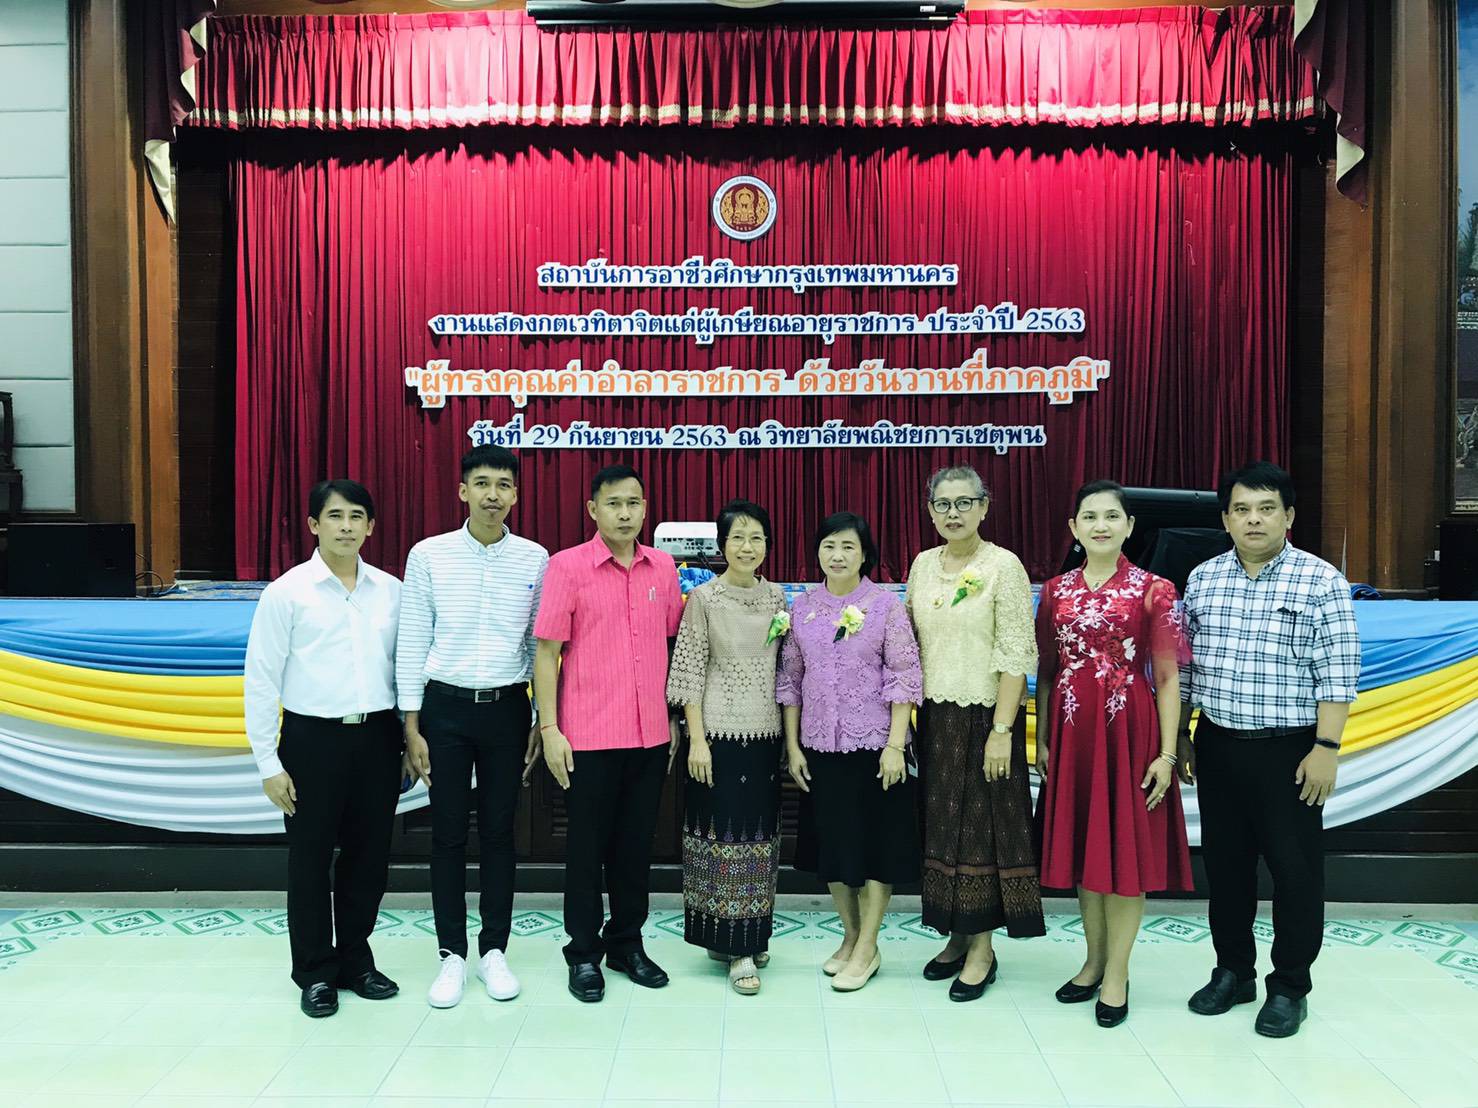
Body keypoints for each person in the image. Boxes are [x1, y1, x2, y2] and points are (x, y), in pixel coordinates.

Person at [1178, 461, 1361, 1038]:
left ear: (1288, 516)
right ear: (1225, 519)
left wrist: (1326, 747)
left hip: (1291, 752)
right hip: (1218, 744)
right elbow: (1186, 670)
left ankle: (1289, 987)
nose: (1253, 519)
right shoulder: (1203, 579)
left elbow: (1338, 673)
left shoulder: (1320, 581)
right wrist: (1180, 735)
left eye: (1265, 509)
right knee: (1227, 869)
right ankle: (1234, 972)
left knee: (1294, 872)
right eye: (1241, 509)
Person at [1034, 479, 1194, 1027]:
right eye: (1089, 516)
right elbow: (1047, 672)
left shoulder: (1155, 589)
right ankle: (1093, 961)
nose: (1100, 525)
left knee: (1123, 853)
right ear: (1074, 528)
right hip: (1072, 735)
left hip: (1130, 733)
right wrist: (1043, 739)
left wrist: (1166, 755)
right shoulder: (1055, 591)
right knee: (1087, 848)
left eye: (1111, 516)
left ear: (1129, 526)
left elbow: (1168, 678)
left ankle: (1118, 973)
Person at [244, 479, 403, 1018]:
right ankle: (314, 972)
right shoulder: (287, 592)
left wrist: (408, 737)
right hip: (312, 740)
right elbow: (260, 679)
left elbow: (403, 668)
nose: (346, 526)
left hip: (377, 738)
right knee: (310, 861)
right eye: (335, 516)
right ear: (314, 525)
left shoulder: (390, 591)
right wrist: (268, 763)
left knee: (368, 858)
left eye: (357, 516)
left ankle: (356, 961)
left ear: (371, 526)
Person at [398, 445, 548, 1008]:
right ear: (462, 491)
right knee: (447, 835)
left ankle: (494, 950)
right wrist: (411, 724)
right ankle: (451, 954)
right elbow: (413, 637)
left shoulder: (534, 559)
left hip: (508, 709)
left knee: (501, 833)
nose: (492, 495)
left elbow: (539, 644)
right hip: (445, 710)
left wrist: (540, 716)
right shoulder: (429, 555)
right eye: (482, 483)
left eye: (503, 485)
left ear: (515, 495)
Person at [534, 464, 684, 1003]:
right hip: (588, 737)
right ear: (593, 510)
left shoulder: (662, 567)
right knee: (586, 850)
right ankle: (582, 952)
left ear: (645, 509)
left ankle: (626, 944)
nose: (625, 513)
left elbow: (672, 647)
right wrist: (549, 728)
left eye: (633, 503)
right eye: (614, 503)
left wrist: (673, 717)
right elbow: (547, 652)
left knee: (635, 848)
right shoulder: (567, 566)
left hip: (649, 736)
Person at [904, 467, 1044, 1004]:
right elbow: (909, 643)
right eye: (943, 504)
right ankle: (958, 934)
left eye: (965, 502)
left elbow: (1016, 652)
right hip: (935, 718)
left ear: (985, 507)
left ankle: (983, 948)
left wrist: (1003, 730)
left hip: (988, 717)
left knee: (983, 830)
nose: (954, 513)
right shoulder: (922, 565)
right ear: (930, 510)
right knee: (943, 829)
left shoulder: (1003, 566)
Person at [778, 511, 923, 992]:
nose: (837, 556)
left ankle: (868, 944)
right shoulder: (802, 608)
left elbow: (904, 677)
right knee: (833, 847)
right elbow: (790, 681)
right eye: (829, 546)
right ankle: (852, 935)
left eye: (848, 547)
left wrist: (896, 745)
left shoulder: (885, 607)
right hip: (820, 746)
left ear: (865, 554)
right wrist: (793, 746)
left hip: (876, 747)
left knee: (876, 847)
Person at [667, 499, 788, 996]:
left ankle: (749, 934)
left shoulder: (777, 597)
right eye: (737, 537)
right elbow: (688, 670)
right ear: (722, 545)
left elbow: (786, 669)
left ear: (767, 546)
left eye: (756, 537)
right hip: (716, 738)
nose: (747, 546)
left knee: (760, 839)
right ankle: (734, 947)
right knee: (721, 838)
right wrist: (696, 739)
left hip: (766, 737)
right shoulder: (704, 599)